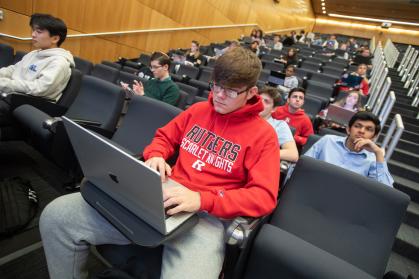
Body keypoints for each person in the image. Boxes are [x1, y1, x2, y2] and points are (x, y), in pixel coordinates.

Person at [39, 47, 280, 279]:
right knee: (56, 217)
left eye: (230, 91)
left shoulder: (264, 136)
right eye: (216, 86)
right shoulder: (198, 110)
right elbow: (164, 137)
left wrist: (202, 199)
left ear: (251, 92)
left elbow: (264, 197)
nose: (218, 95)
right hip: (162, 194)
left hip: (207, 217)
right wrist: (156, 154)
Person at [0, 13, 74, 126]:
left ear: (55, 38)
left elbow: (39, 89)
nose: (33, 34)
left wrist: (5, 84)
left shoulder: (59, 62)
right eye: (33, 30)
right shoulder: (35, 53)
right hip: (12, 96)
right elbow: (13, 69)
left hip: (29, 104)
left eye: (39, 32)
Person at [305, 111, 394, 187]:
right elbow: (304, 165)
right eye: (357, 126)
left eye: (368, 129)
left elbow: (385, 191)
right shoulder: (327, 140)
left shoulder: (373, 160)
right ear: (348, 129)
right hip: (313, 186)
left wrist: (378, 152)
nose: (362, 131)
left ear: (374, 137)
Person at [259, 87, 298, 162]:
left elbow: (293, 154)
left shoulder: (279, 125)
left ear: (273, 109)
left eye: (266, 101)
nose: (261, 103)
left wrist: (262, 153)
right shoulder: (244, 117)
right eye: (259, 99)